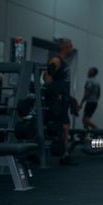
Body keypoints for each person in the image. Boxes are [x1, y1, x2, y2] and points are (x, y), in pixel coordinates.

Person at [43, 37, 76, 165]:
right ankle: (64, 154)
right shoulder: (56, 60)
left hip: (64, 99)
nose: (72, 49)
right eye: (71, 46)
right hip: (56, 101)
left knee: (64, 125)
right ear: (65, 47)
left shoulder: (64, 62)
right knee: (61, 125)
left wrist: (69, 96)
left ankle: (64, 154)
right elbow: (46, 75)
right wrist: (55, 93)